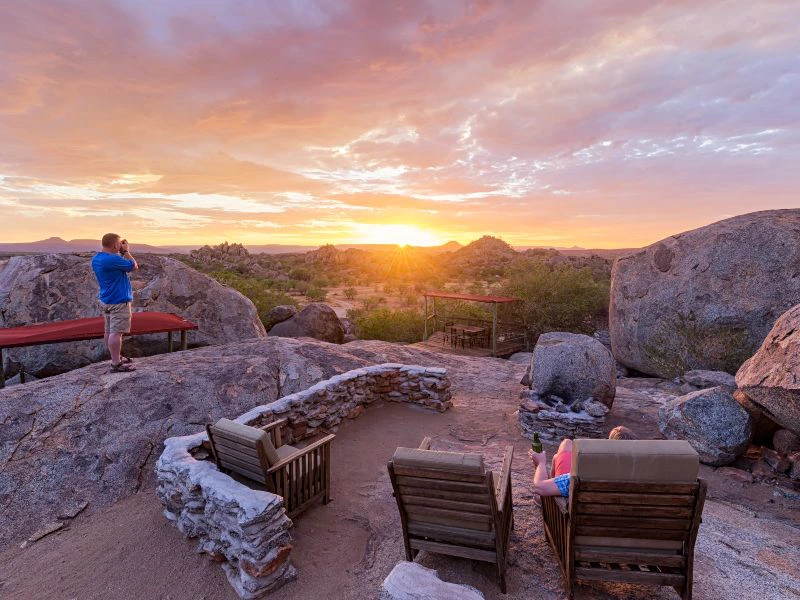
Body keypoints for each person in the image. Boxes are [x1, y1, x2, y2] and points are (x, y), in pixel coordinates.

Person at [528, 425, 639, 497]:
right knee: (562, 451)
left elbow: (540, 487)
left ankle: (548, 499)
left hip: (577, 522)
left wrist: (541, 462)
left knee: (565, 445)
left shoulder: (586, 475)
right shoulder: (644, 477)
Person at [91, 233, 138, 372]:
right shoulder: (113, 259)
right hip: (119, 301)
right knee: (116, 333)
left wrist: (119, 252)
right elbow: (134, 266)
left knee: (109, 331)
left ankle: (115, 357)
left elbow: (116, 266)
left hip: (106, 299)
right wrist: (126, 251)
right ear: (115, 245)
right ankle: (116, 363)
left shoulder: (97, 258)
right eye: (119, 243)